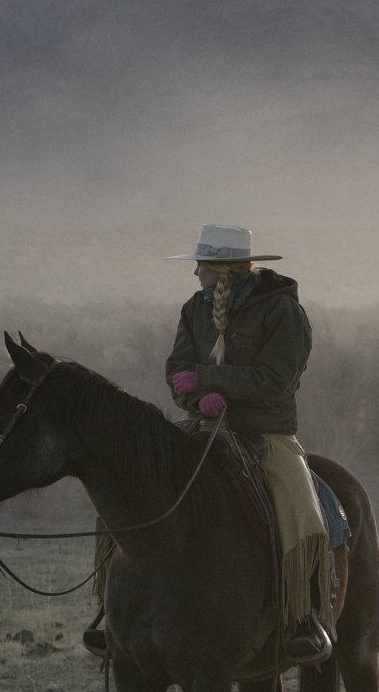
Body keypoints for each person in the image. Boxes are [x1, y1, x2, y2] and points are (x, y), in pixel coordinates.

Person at [83, 222, 334, 666]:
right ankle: (112, 611)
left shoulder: (283, 313)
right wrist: (198, 397)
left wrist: (211, 380)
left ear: (224, 269)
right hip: (202, 425)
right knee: (125, 494)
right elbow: (178, 370)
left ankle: (303, 616)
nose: (196, 273)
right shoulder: (193, 310)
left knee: (301, 511)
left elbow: (277, 380)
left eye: (202, 266)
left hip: (266, 432)